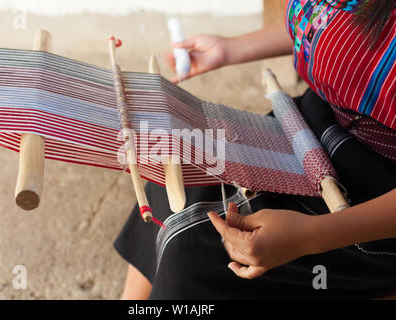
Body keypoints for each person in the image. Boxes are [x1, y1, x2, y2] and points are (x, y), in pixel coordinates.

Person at [114, 0, 396, 299]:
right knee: (176, 175)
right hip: (312, 124)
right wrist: (229, 50)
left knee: (194, 248)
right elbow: (325, 19)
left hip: (371, 195)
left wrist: (311, 236)